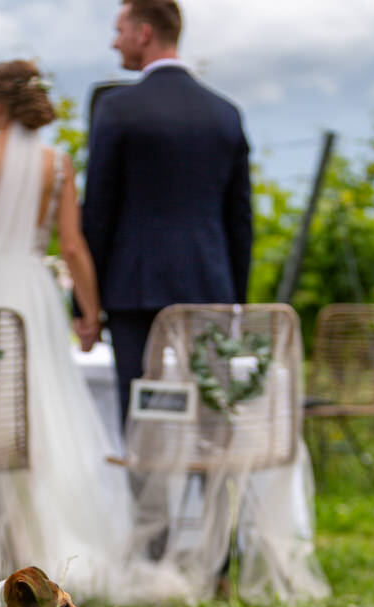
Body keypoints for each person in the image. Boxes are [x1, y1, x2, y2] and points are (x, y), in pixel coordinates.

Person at [0, 59, 188, 602]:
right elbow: (72, 247)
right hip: (32, 299)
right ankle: (36, 542)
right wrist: (90, 313)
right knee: (40, 421)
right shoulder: (58, 164)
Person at [81, 0, 252, 427]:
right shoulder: (226, 114)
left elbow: (98, 213)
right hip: (210, 288)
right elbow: (240, 222)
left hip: (133, 288)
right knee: (211, 410)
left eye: (119, 29)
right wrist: (236, 300)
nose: (113, 40)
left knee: (141, 416)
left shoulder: (117, 109)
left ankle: (147, 495)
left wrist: (84, 303)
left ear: (144, 33)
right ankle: (210, 491)